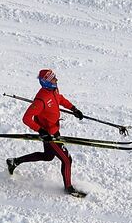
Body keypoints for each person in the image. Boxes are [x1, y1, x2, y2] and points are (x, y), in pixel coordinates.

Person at [6, 68, 87, 197]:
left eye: (55, 77)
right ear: (47, 82)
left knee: (48, 156)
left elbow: (60, 99)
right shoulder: (41, 100)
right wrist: (41, 131)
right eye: (53, 78)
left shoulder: (54, 90)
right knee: (67, 160)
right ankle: (69, 188)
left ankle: (14, 161)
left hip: (54, 129)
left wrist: (73, 109)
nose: (56, 80)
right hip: (49, 135)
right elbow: (26, 118)